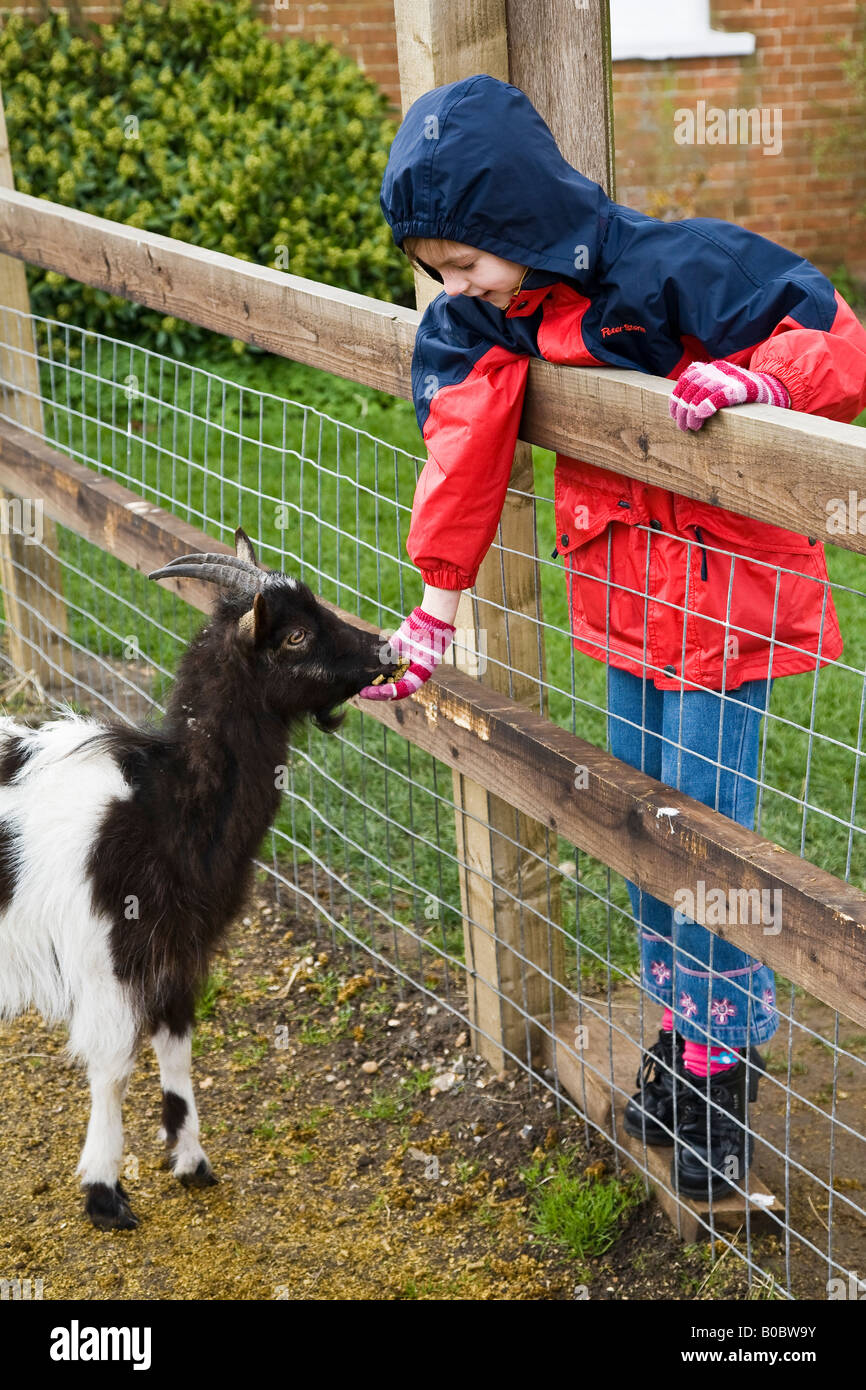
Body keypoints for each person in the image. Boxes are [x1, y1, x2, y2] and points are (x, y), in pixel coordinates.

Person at [360, 74, 866, 1198]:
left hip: (721, 604)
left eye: (462, 263)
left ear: (517, 220)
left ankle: (720, 1068)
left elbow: (828, 330)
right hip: (630, 608)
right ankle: (677, 1042)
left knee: (710, 850)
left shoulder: (669, 267)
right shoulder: (488, 319)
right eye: (437, 271)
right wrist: (434, 608)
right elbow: (460, 452)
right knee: (636, 831)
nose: (451, 287)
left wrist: (754, 381)